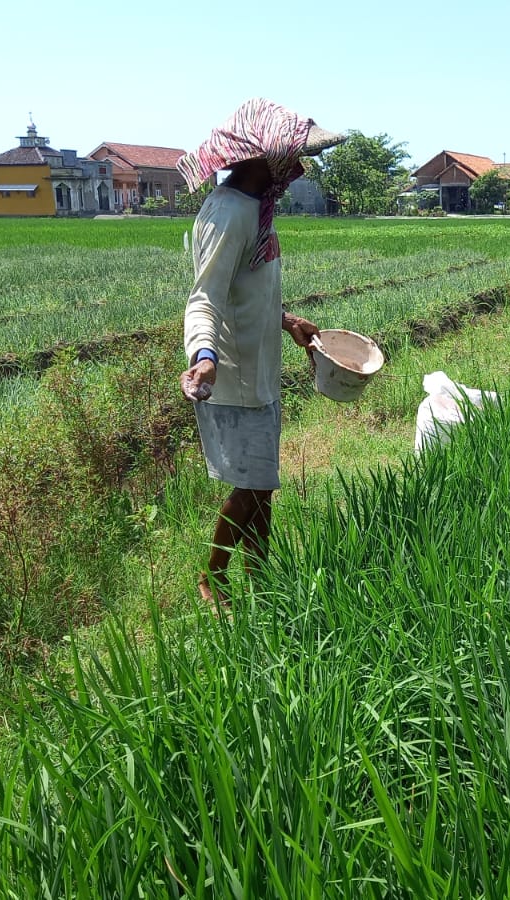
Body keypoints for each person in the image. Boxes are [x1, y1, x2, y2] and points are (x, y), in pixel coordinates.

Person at [176, 99, 345, 604]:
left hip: (260, 370)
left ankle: (262, 577)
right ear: (260, 159)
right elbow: (204, 297)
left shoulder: (255, 207)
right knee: (251, 486)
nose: (298, 169)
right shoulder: (228, 213)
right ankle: (213, 577)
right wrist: (204, 358)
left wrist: (289, 323)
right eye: (290, 158)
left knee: (263, 484)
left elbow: (246, 290)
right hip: (233, 374)